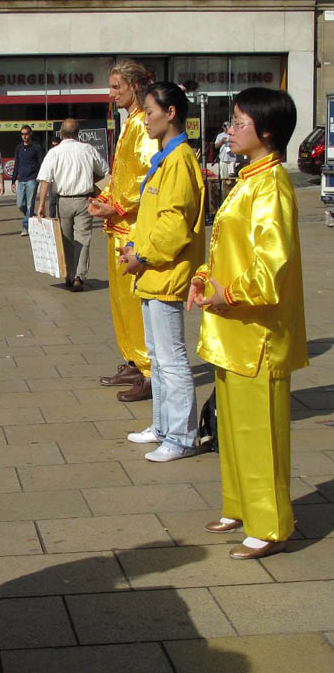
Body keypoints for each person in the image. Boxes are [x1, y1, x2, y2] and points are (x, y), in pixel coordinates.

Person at [188, 88, 307, 560]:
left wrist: (230, 293)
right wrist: (204, 277)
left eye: (240, 123)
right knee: (234, 427)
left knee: (261, 432)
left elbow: (272, 263)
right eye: (232, 122)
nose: (231, 130)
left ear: (268, 132)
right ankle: (239, 506)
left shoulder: (271, 184)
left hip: (257, 331)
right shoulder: (247, 178)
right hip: (230, 329)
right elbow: (227, 247)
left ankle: (271, 523)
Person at [117, 83, 205, 463]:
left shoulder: (179, 160)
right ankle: (163, 425)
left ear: (171, 113)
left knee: (171, 359)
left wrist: (143, 255)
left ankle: (182, 436)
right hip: (152, 272)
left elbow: (174, 226)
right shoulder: (166, 159)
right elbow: (153, 218)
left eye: (151, 111)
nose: (146, 119)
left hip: (165, 272)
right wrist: (134, 248)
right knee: (158, 357)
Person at [89, 59, 157, 403]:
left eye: (117, 86)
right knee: (121, 299)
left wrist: (117, 205)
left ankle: (149, 369)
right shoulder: (130, 123)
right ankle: (132, 358)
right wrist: (105, 198)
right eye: (112, 86)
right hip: (119, 224)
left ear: (134, 86)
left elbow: (146, 176)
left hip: (132, 227)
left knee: (134, 298)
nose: (112, 93)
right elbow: (122, 175)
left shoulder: (143, 125)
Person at [35, 118, 109, 291]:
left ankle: (68, 274)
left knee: (66, 239)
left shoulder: (54, 152)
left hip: (63, 201)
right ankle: (79, 276)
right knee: (83, 238)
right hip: (84, 199)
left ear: (61, 133)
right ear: (78, 133)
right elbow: (105, 171)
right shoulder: (88, 149)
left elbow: (45, 179)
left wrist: (41, 204)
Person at [12, 124, 44, 236]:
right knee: (20, 204)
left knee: (30, 204)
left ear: (30, 134)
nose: (24, 136)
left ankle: (26, 226)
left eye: (26, 134)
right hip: (21, 179)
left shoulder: (36, 147)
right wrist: (13, 180)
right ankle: (30, 216)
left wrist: (41, 177)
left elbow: (41, 162)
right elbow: (16, 163)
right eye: (22, 134)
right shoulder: (19, 148)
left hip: (32, 179)